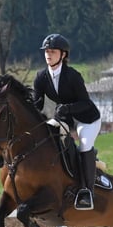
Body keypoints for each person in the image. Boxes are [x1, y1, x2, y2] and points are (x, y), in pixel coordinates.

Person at [32, 33, 101, 210]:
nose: (48, 54)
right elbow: (37, 103)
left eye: (53, 51)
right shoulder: (41, 77)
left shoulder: (73, 76)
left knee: (84, 144)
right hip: (66, 119)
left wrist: (68, 108)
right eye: (46, 51)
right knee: (49, 136)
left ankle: (87, 191)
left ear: (63, 55)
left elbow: (85, 102)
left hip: (87, 118)